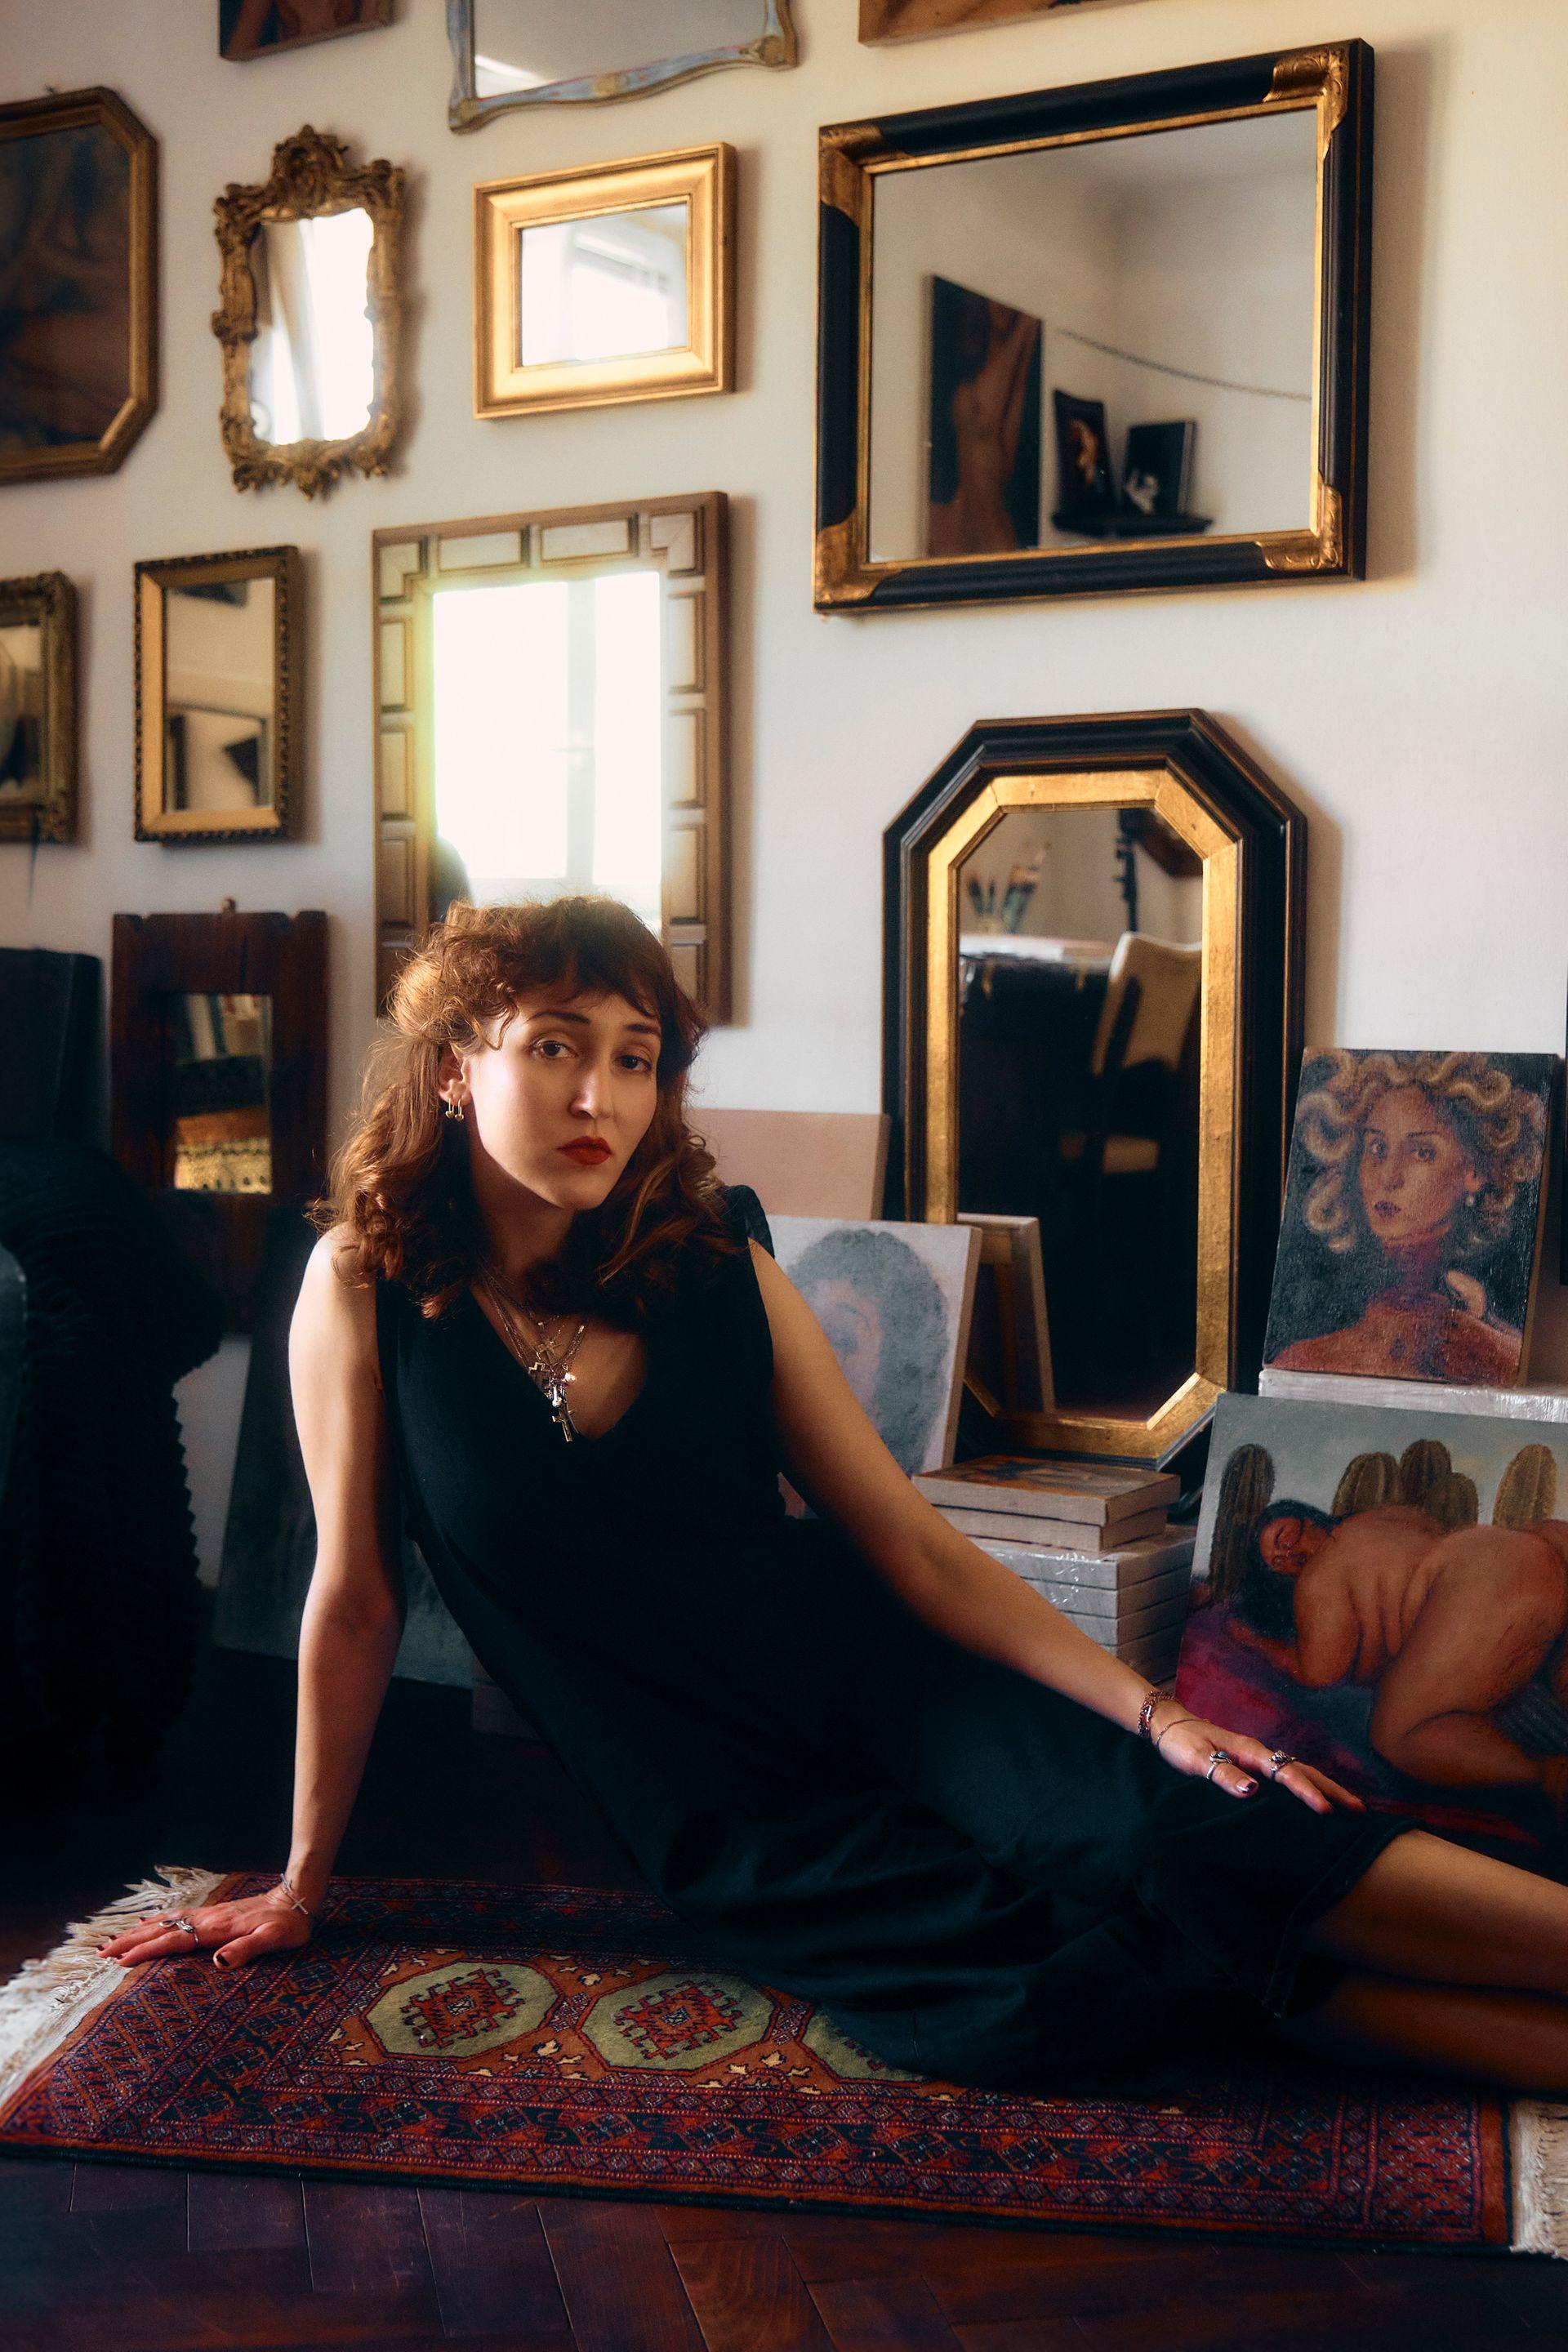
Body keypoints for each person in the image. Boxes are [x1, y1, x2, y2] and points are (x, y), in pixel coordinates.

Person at [100, 900, 1568, 2095]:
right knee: (1034, 1990)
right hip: (713, 1802)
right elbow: (354, 1597)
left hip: (887, 1686)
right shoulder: (364, 1288)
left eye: (636, 1058)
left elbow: (912, 1551)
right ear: (450, 1067)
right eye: (554, 1048)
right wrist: (301, 1882)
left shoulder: (714, 1264)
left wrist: (1156, 1713)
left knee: (1163, 1834)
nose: (602, 1096)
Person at [1267, 1050, 1547, 1383]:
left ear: (1474, 1171)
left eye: (1421, 1152)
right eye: (1377, 1148)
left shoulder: (1494, 1349)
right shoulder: (1301, 1359)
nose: (1389, 1177)